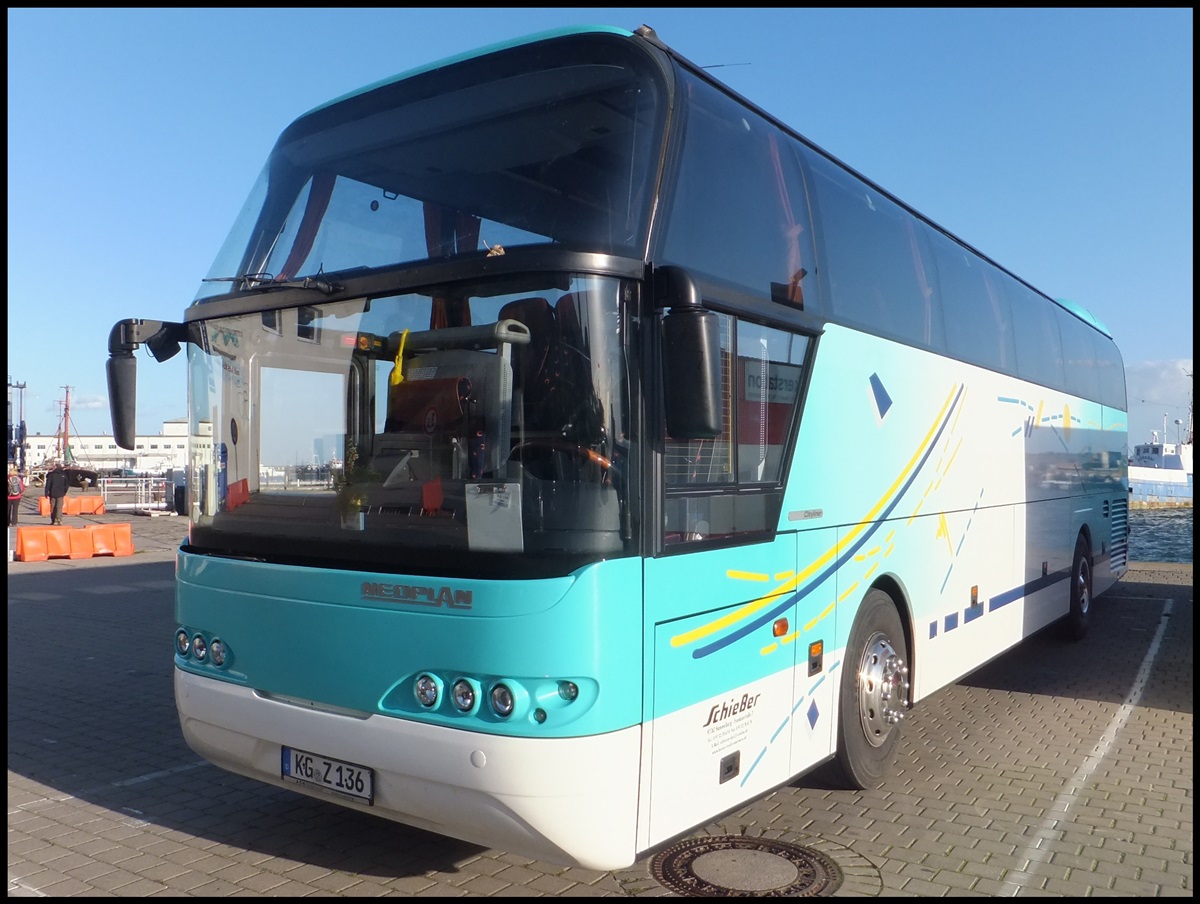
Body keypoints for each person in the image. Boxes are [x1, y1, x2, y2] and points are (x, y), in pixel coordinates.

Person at [44, 461, 71, 525]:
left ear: (55, 467)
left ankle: (54, 520)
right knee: (59, 507)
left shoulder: (51, 475)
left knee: (53, 507)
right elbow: (66, 484)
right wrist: (64, 491)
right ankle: (59, 519)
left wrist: (46, 492)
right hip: (61, 493)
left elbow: (48, 484)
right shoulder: (63, 475)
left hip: (52, 493)